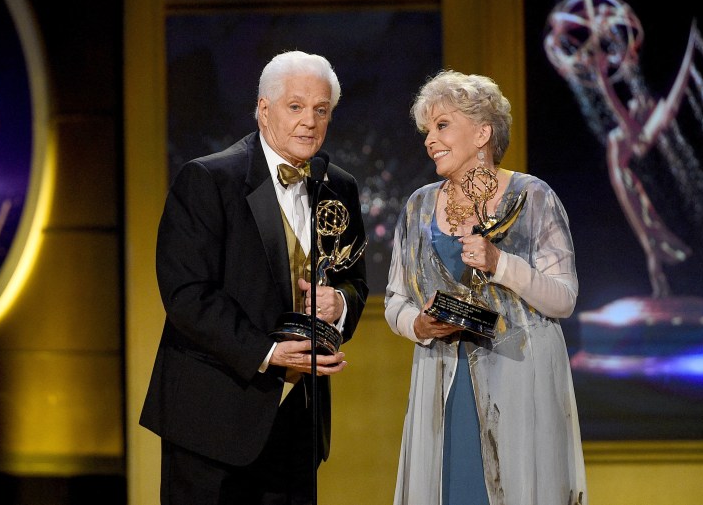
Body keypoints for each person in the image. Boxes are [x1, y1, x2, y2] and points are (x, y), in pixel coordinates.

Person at [140, 50, 368, 505]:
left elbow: (353, 282)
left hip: (299, 421)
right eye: (296, 106)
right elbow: (187, 294)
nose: (310, 121)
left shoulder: (339, 186)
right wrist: (267, 352)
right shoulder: (207, 179)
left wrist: (339, 306)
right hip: (213, 417)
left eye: (321, 110)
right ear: (264, 109)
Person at [385, 69, 587, 505]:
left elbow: (564, 298)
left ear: (482, 132)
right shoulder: (419, 205)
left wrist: (500, 263)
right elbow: (395, 300)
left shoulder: (533, 198)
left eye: (441, 126)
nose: (429, 140)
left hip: (518, 380)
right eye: (426, 130)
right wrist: (417, 325)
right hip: (442, 379)